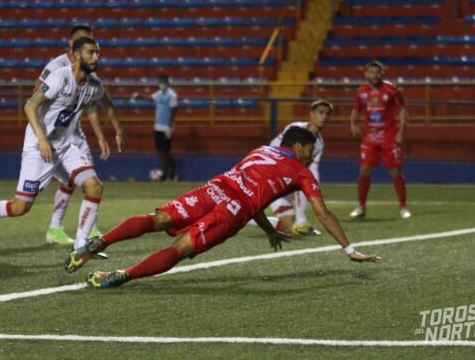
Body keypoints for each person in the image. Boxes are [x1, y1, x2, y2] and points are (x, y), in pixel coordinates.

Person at [65, 126, 379, 289]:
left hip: (215, 188)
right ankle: (122, 275)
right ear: (298, 146)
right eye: (310, 151)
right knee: (179, 249)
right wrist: (349, 248)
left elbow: (255, 194)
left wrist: (268, 230)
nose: (311, 157)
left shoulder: (262, 150)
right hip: (233, 210)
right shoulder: (301, 172)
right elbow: (323, 213)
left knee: (156, 218)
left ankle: (100, 241)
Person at [0, 37, 119, 251]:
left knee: (94, 187)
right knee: (20, 207)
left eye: (97, 53)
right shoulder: (60, 78)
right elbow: (30, 105)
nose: (96, 57)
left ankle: (80, 247)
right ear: (77, 56)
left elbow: (107, 103)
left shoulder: (94, 85)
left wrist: (119, 131)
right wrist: (41, 139)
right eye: (91, 53)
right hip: (39, 147)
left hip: (64, 147)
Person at [39, 24, 126, 246]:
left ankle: (72, 230)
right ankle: (66, 229)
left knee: (87, 181)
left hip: (74, 133)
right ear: (72, 45)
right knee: (26, 199)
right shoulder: (56, 66)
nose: (92, 48)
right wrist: (40, 134)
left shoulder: (89, 70)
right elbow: (36, 98)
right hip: (53, 134)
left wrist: (101, 137)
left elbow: (91, 106)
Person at [247, 100, 332, 236]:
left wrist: (313, 185)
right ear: (312, 114)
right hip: (268, 176)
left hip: (282, 182)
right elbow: (276, 148)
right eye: (320, 112)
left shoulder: (319, 143)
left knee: (287, 227)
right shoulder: (295, 128)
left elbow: (310, 171)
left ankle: (249, 218)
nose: (324, 117)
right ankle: (246, 215)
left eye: (327, 114)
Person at [349, 60, 410, 220]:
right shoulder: (361, 91)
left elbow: (402, 109)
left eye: (377, 72)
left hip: (389, 135)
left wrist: (401, 131)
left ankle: (403, 207)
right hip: (370, 136)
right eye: (371, 72)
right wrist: (353, 124)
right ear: (366, 74)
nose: (374, 75)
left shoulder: (391, 89)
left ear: (382, 73)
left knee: (395, 170)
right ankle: (361, 207)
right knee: (364, 169)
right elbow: (356, 109)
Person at [151, 74, 178, 181]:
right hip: (157, 126)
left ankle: (169, 173)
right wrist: (139, 96)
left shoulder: (172, 95)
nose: (162, 84)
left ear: (167, 83)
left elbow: (174, 109)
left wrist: (170, 125)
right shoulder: (158, 94)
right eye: (160, 82)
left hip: (166, 127)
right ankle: (165, 172)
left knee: (165, 151)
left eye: (163, 82)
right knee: (160, 151)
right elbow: (150, 98)